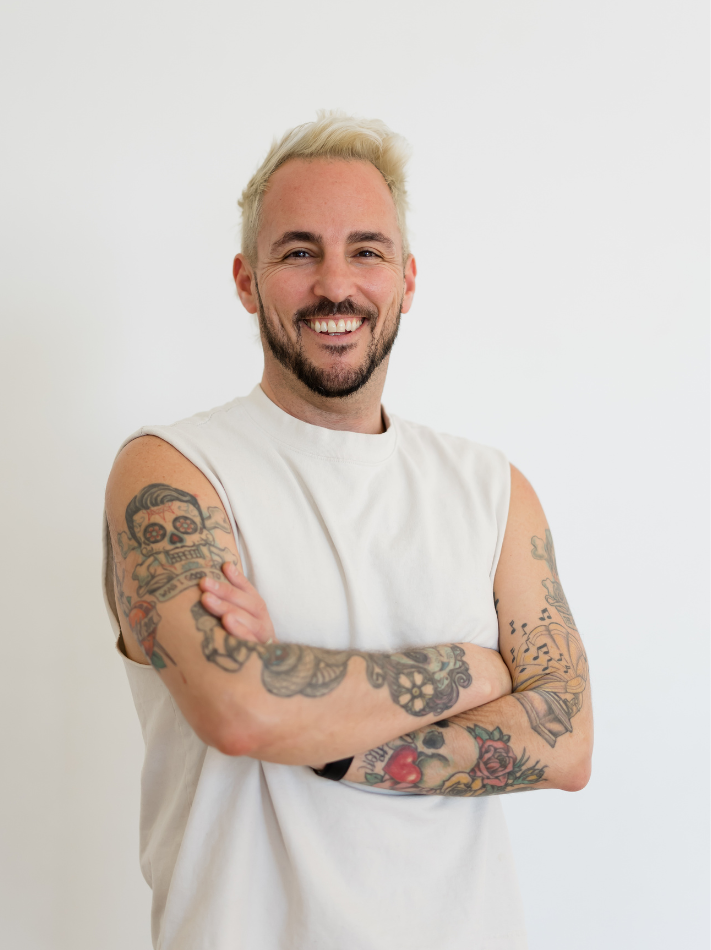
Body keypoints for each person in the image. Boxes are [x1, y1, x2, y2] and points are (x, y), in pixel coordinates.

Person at [103, 112, 593, 949]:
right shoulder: (173, 473)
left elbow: (566, 742)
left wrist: (318, 727)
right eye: (299, 251)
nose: (336, 284)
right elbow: (240, 711)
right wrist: (476, 673)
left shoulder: (493, 490)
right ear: (246, 281)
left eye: (365, 250)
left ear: (406, 279)